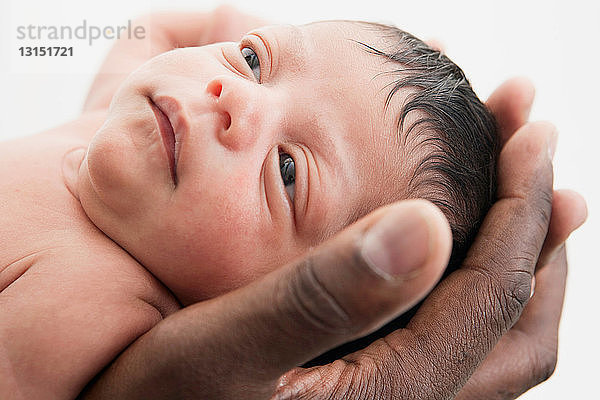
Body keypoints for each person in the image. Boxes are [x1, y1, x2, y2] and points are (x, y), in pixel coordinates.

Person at [0, 7, 586, 400]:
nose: (230, 95)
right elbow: (162, 25)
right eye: (254, 60)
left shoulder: (90, 305)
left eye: (286, 171)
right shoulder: (115, 119)